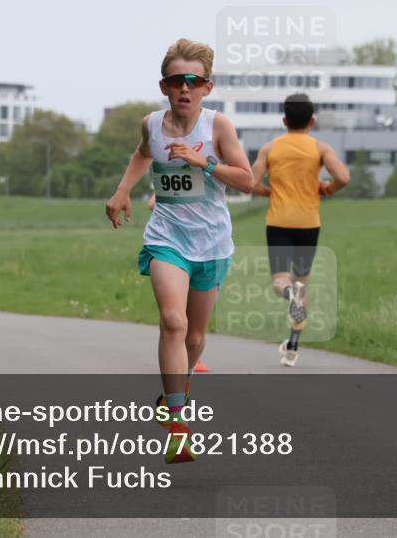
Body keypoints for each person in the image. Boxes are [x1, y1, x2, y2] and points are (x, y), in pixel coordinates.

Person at [105, 38, 252, 464]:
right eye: (176, 80)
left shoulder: (218, 127)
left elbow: (246, 180)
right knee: (173, 320)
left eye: (194, 81)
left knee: (195, 337)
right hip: (167, 235)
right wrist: (122, 192)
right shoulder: (151, 124)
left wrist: (201, 161)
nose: (184, 88)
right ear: (163, 85)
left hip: (212, 242)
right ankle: (177, 424)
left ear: (207, 87)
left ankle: (173, 392)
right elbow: (141, 154)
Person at [250, 93, 349, 367]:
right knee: (302, 283)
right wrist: (328, 188)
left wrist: (266, 192)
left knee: (280, 283)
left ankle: (288, 295)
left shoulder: (270, 149)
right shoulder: (321, 148)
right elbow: (343, 177)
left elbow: (249, 182)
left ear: (284, 120)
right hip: (308, 225)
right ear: (312, 121)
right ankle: (293, 345)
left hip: (279, 222)